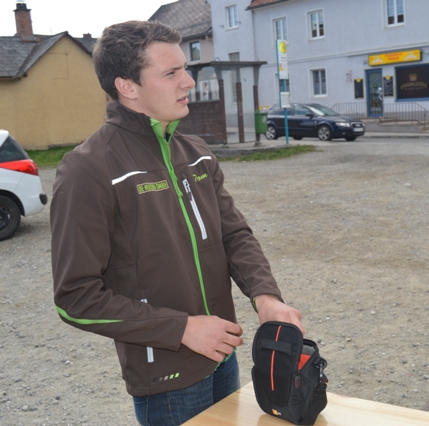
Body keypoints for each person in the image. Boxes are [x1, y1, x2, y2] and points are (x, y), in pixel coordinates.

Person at [50, 20, 304, 426]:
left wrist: (265, 295)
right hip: (167, 379)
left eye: (185, 68)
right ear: (127, 87)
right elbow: (75, 298)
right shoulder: (89, 169)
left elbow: (233, 235)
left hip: (222, 354)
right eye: (171, 73)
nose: (189, 82)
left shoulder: (195, 151)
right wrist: (180, 329)